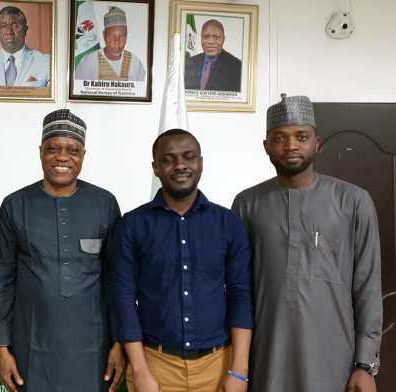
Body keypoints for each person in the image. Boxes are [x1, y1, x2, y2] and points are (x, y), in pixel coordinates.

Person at [231, 94, 382, 392]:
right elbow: (238, 290)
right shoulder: (247, 204)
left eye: (301, 137)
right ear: (266, 147)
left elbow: (367, 287)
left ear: (316, 142)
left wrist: (365, 365)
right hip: (266, 361)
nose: (291, 146)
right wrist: (238, 368)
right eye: (280, 138)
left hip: (334, 363)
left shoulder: (353, 201)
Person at [0, 109, 126, 392]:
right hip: (31, 346)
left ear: (83, 155)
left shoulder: (105, 204)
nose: (63, 157)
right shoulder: (15, 205)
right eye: (53, 148)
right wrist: (2, 348)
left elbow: (118, 281)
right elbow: (2, 281)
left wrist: (119, 343)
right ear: (41, 152)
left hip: (93, 348)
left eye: (72, 150)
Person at [112, 129, 253, 392]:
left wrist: (240, 370)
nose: (180, 165)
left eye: (189, 157)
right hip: (155, 365)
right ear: (155, 168)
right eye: (168, 159)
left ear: (201, 164)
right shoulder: (133, 224)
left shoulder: (228, 223)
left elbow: (241, 294)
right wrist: (140, 370)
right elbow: (123, 296)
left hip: (219, 365)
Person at [0, 6, 50, 87]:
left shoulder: (46, 63)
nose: (9, 32)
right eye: (3, 26)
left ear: (25, 30)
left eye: (15, 26)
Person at [74, 6, 146, 82]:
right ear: (104, 35)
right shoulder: (89, 61)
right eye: (112, 35)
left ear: (126, 35)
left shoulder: (136, 62)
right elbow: (79, 89)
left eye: (122, 36)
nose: (117, 41)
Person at [184, 19, 241, 92]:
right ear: (201, 38)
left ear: (223, 39)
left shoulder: (237, 67)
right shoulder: (190, 63)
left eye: (216, 37)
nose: (211, 42)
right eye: (206, 36)